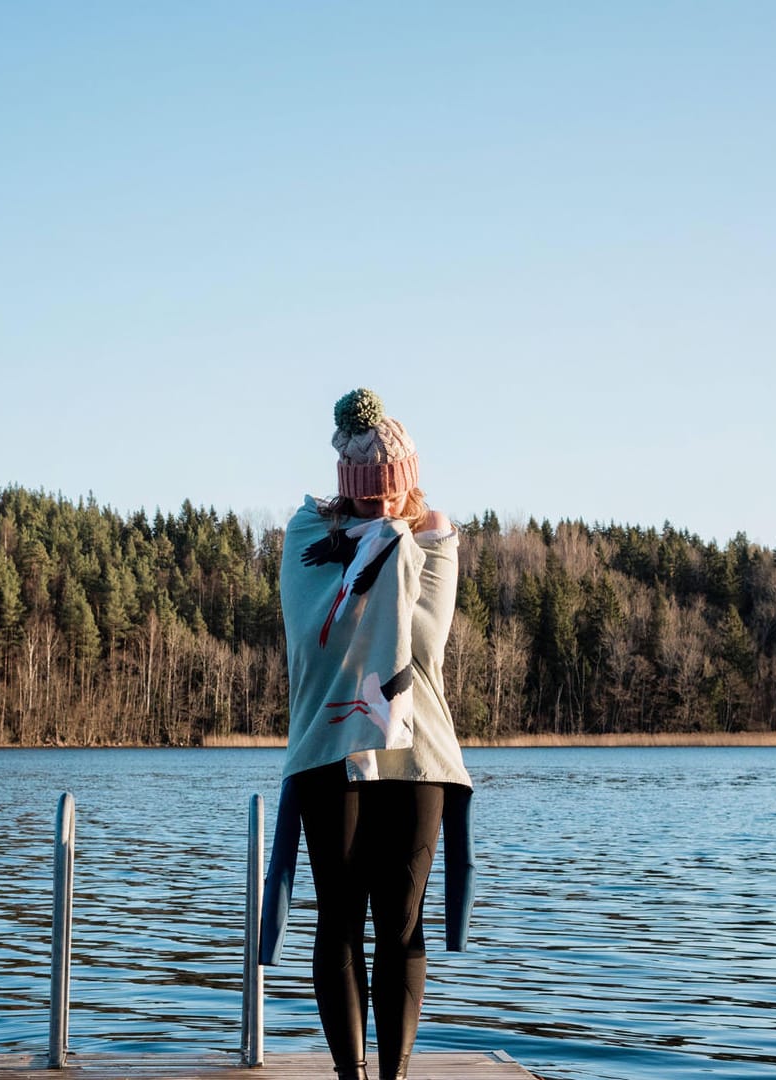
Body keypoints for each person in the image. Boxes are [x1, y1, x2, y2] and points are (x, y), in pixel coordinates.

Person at [267, 388, 475, 1080]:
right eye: (367, 500)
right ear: (345, 491)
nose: (382, 510)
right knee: (340, 917)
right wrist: (361, 553)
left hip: (419, 754)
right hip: (334, 745)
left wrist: (384, 548)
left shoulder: (435, 541)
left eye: (393, 497)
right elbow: (319, 639)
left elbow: (419, 640)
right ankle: (350, 1076)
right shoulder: (307, 538)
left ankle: (397, 1075)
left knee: (401, 922)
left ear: (410, 486)